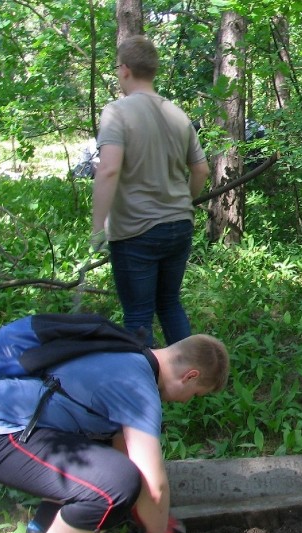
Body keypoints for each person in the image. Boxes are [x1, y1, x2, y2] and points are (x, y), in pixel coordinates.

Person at [0, 332, 230, 533]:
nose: (186, 401)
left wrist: (147, 512)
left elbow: (122, 446)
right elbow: (154, 485)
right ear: (190, 376)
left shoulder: (129, 351)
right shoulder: (139, 389)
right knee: (117, 487)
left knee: (109, 460)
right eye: (194, 394)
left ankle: (40, 529)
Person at [91, 35, 209, 347]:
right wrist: (185, 202)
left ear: (125, 69)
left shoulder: (116, 112)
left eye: (118, 68)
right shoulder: (178, 114)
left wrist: (96, 228)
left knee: (138, 317)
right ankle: (189, 379)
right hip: (179, 227)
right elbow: (201, 169)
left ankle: (142, 389)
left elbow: (109, 169)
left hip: (136, 232)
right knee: (170, 305)